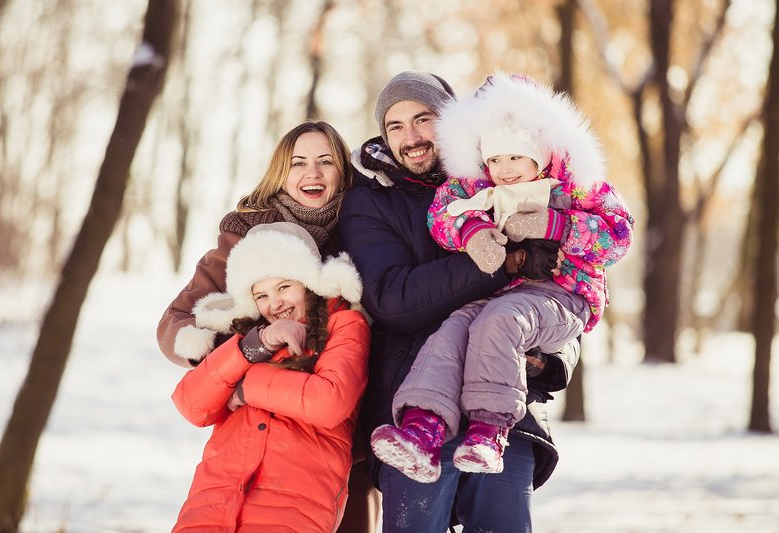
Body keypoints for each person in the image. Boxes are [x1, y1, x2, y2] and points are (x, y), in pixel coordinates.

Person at [338, 70, 582, 532]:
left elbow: (563, 293)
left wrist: (551, 363)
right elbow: (393, 298)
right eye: (395, 126)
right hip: (414, 413)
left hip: (507, 419)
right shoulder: (371, 203)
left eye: (423, 119)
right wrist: (506, 262)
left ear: (451, 120)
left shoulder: (508, 171)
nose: (410, 137)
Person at [369, 73, 634, 483]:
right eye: (494, 160)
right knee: (452, 330)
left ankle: (489, 429)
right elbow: (443, 212)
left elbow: (619, 235)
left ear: (540, 154)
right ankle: (423, 428)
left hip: (562, 295)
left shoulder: (575, 187)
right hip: (502, 294)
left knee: (500, 322)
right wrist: (473, 234)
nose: (505, 170)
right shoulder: (481, 188)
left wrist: (558, 225)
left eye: (515, 157)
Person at [156, 121, 380, 531]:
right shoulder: (247, 238)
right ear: (281, 172)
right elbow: (178, 323)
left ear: (342, 174)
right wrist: (242, 354)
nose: (311, 173)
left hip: (347, 429)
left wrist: (250, 382)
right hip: (256, 430)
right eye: (298, 163)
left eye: (325, 162)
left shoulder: (367, 228)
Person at [171, 222, 370, 532]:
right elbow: (190, 404)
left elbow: (328, 402)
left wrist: (247, 387)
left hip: (291, 509)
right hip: (210, 508)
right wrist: (254, 346)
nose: (275, 303)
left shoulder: (344, 325)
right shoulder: (247, 339)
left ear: (308, 281)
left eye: (284, 286)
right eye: (260, 295)